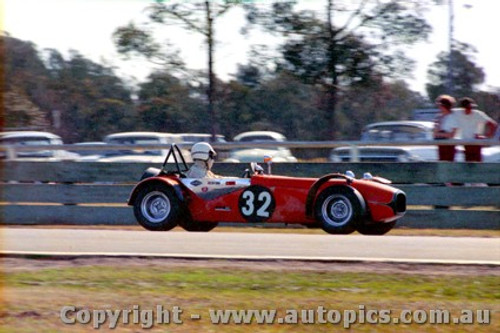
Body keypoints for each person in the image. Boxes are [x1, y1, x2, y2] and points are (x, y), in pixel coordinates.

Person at [455, 97, 498, 162]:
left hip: (476, 142)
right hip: (465, 143)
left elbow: (493, 124)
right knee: (467, 163)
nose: (470, 109)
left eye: (471, 107)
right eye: (467, 107)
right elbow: (446, 111)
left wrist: (487, 137)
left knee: (477, 162)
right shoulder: (457, 113)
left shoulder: (477, 114)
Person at [433, 94, 458, 161]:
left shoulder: (453, 117)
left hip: (449, 145)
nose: (439, 107)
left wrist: (440, 134)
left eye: (440, 105)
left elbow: (452, 134)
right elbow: (435, 132)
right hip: (440, 144)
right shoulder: (439, 117)